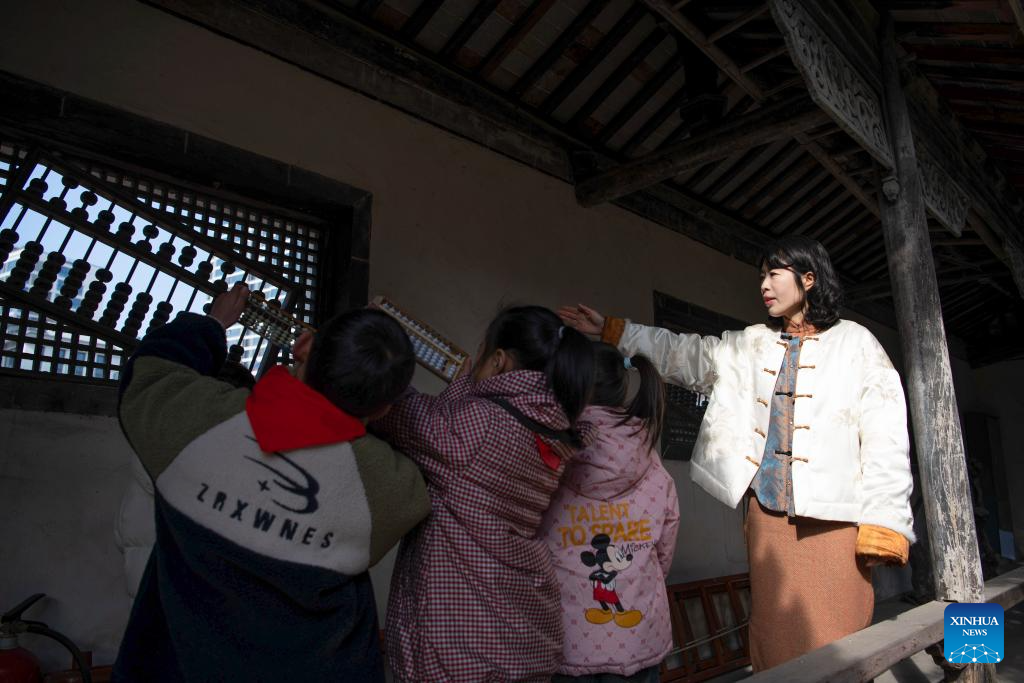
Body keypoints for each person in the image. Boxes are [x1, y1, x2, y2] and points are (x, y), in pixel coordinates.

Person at [559, 236, 914, 670]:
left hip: (833, 520)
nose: (764, 284)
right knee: (776, 640)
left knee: (839, 643)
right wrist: (618, 332)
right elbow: (685, 354)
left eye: (774, 274)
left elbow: (886, 435)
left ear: (808, 278)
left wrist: (885, 519)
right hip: (767, 518)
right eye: (761, 275)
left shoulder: (857, 344)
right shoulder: (750, 343)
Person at [112, 285, 430, 682]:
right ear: (386, 407)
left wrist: (212, 324)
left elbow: (152, 366)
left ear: (303, 346)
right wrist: (372, 359)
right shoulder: (391, 488)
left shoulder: (191, 422)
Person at [371, 305, 594, 682]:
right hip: (524, 632)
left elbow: (392, 409)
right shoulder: (553, 434)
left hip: (460, 646)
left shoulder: (477, 426)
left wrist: (461, 386)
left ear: (499, 361)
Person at [539, 342, 679, 683]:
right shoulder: (653, 467)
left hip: (566, 641)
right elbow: (663, 553)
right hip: (640, 638)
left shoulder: (549, 454)